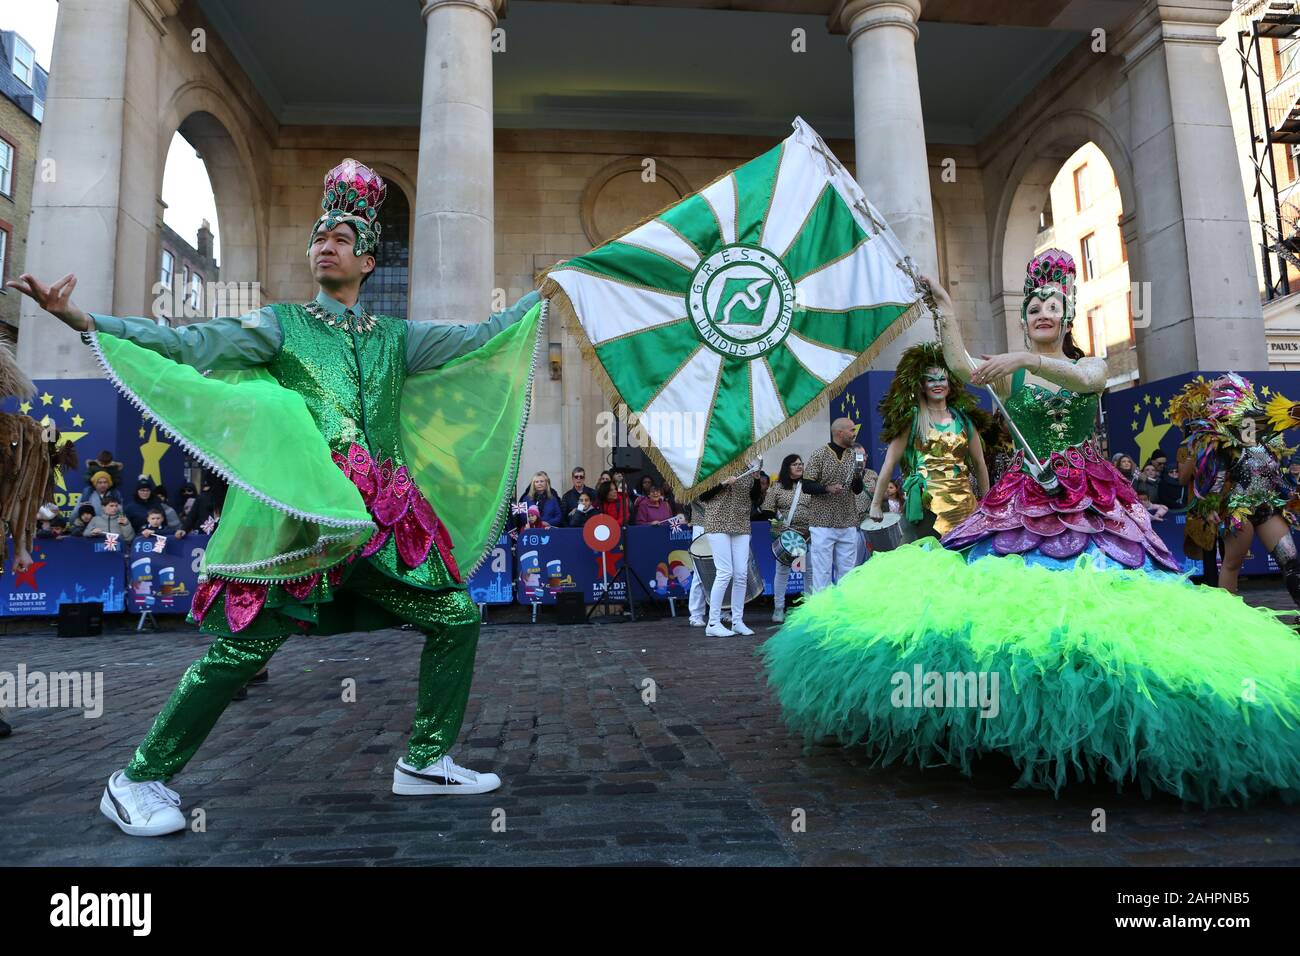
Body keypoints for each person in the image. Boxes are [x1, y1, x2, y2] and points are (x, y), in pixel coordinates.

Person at [9, 157, 543, 836]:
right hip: (308, 524)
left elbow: (480, 339)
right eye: (319, 237)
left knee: (457, 617)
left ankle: (425, 760)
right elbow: (187, 342)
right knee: (243, 651)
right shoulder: (280, 325)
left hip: (379, 525)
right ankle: (137, 777)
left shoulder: (395, 339)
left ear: (369, 261)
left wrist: (540, 298)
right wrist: (82, 318)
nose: (325, 245)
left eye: (341, 238)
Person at [760, 250, 1300, 807]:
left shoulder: (1084, 367)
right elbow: (966, 368)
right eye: (1034, 305)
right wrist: (946, 312)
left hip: (1091, 502)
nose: (1042, 312)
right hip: (1022, 501)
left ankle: (1108, 718)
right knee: (1011, 607)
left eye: (1052, 305)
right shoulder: (1013, 373)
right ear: (1024, 318)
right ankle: (1012, 719)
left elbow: (1088, 377)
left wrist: (1022, 358)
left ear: (1067, 317)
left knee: (1098, 602)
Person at [1169, 373, 1300, 604]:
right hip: (1239, 511)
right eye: (1245, 419)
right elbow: (1215, 480)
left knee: (1290, 561)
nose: (1249, 423)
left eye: (1253, 419)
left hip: (1267, 506)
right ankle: (1227, 618)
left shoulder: (1270, 444)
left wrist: (1290, 495)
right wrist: (1209, 506)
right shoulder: (1226, 444)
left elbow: (1275, 476)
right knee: (1232, 564)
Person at [867, 342, 990, 543]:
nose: (937, 384)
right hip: (926, 506)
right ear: (922, 385)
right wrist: (876, 503)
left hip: (964, 506)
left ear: (950, 384)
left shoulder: (964, 420)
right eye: (931, 380)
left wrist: (986, 501)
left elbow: (979, 463)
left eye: (942, 378)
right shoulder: (913, 419)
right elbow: (889, 463)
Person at [802, 419, 867, 593]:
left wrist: (858, 477)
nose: (854, 433)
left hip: (847, 522)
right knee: (821, 574)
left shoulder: (854, 456)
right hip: (822, 524)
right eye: (852, 430)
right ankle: (821, 616)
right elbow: (806, 485)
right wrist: (826, 488)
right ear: (840, 433)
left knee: (847, 575)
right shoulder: (820, 454)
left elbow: (857, 490)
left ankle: (843, 614)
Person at [698, 467, 763, 636]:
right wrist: (724, 483)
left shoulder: (749, 468)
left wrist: (756, 479)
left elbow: (755, 497)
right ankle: (712, 623)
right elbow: (702, 495)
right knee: (725, 572)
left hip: (741, 523)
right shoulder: (716, 464)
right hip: (718, 521)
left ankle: (737, 621)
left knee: (741, 574)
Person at [761, 455, 823, 623]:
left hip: (806, 536)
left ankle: (810, 608)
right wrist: (778, 522)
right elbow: (767, 509)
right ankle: (779, 609)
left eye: (801, 464)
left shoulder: (809, 486)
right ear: (786, 467)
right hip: (786, 537)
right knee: (782, 572)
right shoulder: (778, 487)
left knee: (808, 571)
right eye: (795, 464)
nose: (799, 466)